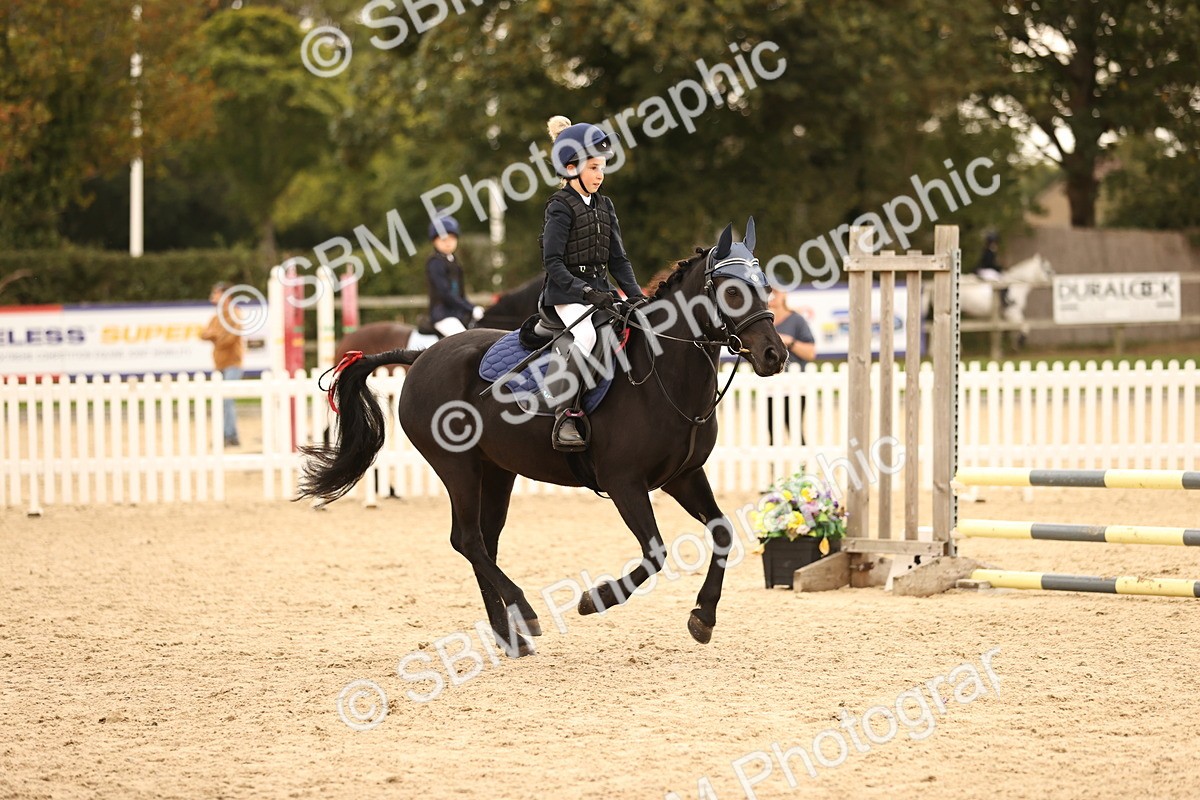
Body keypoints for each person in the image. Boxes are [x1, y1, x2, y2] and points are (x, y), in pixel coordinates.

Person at [539, 115, 647, 451]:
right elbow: (552, 262)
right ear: (572, 169)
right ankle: (565, 414)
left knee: (636, 324)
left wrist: (637, 296)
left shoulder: (605, 205)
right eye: (593, 168)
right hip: (565, 294)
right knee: (586, 333)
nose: (600, 175)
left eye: (602, 168)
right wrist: (584, 292)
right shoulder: (560, 207)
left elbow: (618, 259)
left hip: (599, 292)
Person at [765, 287, 816, 447]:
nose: (772, 296)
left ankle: (801, 469)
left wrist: (789, 341)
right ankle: (775, 469)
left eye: (776, 292)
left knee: (794, 428)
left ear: (784, 295)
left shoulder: (797, 320)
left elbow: (811, 353)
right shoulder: (763, 322)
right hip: (771, 386)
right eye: (768, 292)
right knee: (772, 430)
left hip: (794, 386)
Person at [201, 282, 245, 447]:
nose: (213, 296)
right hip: (219, 364)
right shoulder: (217, 317)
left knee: (227, 400)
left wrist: (214, 335)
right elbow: (203, 334)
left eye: (216, 293)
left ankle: (230, 435)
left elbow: (228, 339)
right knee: (222, 401)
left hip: (233, 363)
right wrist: (216, 335)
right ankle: (227, 435)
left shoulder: (234, 314)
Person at [426, 214, 483, 337]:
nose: (448, 243)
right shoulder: (435, 263)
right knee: (465, 340)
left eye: (452, 238)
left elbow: (460, 293)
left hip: (457, 312)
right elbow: (445, 293)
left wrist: (472, 307)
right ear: (434, 240)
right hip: (443, 314)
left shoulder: (455, 261)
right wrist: (470, 308)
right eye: (443, 239)